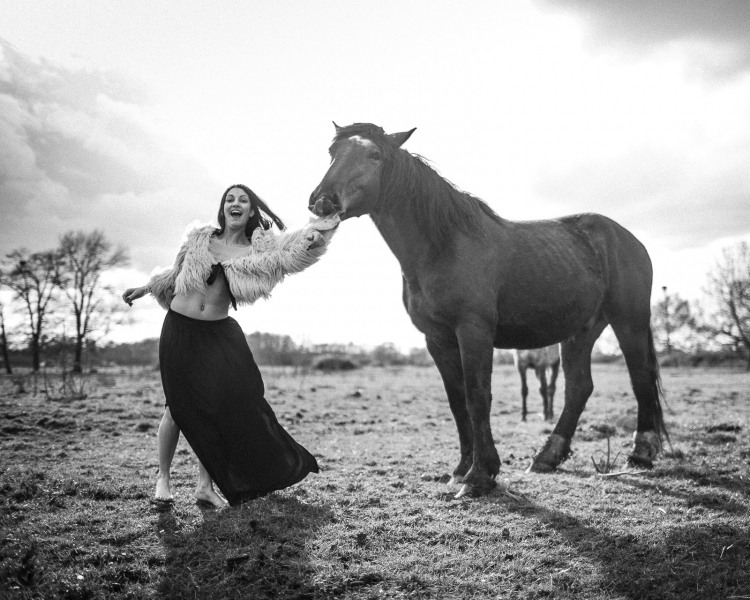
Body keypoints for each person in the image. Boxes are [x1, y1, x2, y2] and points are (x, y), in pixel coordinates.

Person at [122, 184, 337, 508]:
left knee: (215, 410)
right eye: (229, 199)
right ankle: (163, 479)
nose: (235, 204)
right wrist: (146, 286)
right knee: (176, 408)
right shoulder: (200, 238)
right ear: (223, 208)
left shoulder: (259, 248)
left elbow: (292, 252)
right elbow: (176, 273)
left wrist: (319, 230)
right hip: (180, 330)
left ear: (251, 211)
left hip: (217, 334)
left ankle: (205, 487)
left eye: (243, 200)